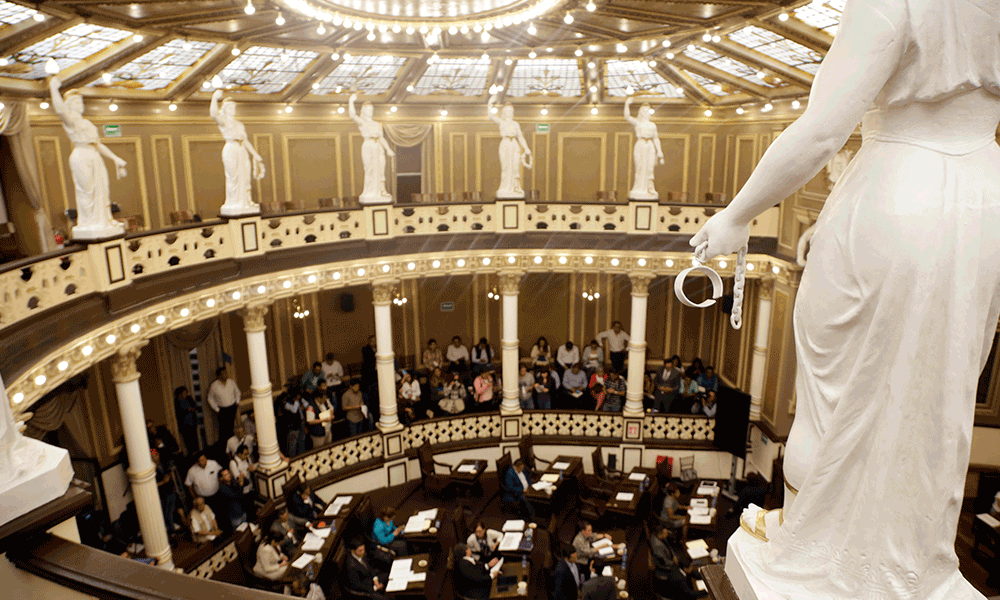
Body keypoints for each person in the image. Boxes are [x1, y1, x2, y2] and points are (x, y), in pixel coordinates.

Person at [690, 1, 1000, 596]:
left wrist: (736, 217)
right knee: (938, 393)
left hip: (897, 196)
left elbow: (823, 130)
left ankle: (814, 538)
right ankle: (905, 548)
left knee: (836, 387)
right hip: (982, 204)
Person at [47, 75, 128, 239]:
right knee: (87, 192)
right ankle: (90, 222)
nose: (80, 105)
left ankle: (103, 219)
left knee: (102, 190)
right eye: (77, 102)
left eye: (81, 102)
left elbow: (98, 144)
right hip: (81, 156)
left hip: (94, 156)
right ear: (70, 105)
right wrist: (53, 88)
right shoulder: (71, 121)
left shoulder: (88, 123)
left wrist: (115, 158)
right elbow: (60, 110)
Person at [210, 88, 265, 215]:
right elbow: (213, 114)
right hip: (231, 149)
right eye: (230, 108)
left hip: (242, 150)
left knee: (245, 177)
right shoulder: (223, 121)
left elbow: (245, 141)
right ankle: (234, 202)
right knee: (233, 177)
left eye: (234, 107)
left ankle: (246, 201)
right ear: (225, 109)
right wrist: (214, 98)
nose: (233, 110)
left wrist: (256, 155)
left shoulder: (239, 124)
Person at [349, 93, 394, 204]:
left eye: (371, 109)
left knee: (380, 169)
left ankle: (381, 190)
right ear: (364, 111)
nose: (370, 111)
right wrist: (351, 101)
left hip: (378, 147)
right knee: (370, 170)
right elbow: (352, 115)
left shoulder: (377, 124)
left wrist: (388, 149)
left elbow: (381, 138)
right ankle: (370, 192)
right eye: (368, 109)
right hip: (368, 146)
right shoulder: (362, 122)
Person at [487, 94, 533, 199]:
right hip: (505, 144)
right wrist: (490, 103)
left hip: (514, 145)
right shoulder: (501, 122)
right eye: (507, 111)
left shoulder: (515, 124)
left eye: (511, 111)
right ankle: (505, 188)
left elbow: (520, 137)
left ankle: (515, 187)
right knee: (506, 167)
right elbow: (491, 115)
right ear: (504, 112)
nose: (510, 113)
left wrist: (526, 148)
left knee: (515, 167)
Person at [624, 96, 665, 200]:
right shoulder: (638, 122)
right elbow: (627, 116)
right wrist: (627, 104)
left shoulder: (652, 125)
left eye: (647, 111)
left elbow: (656, 138)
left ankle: (649, 188)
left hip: (650, 146)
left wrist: (660, 151)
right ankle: (638, 188)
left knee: (649, 168)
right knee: (640, 168)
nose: (646, 113)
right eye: (644, 111)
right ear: (641, 112)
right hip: (640, 145)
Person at [650, 525, 703, 600]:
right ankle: (692, 593)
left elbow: (669, 547)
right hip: (665, 568)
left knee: (685, 562)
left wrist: (674, 556)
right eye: (665, 533)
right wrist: (677, 564)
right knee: (680, 578)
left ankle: (698, 575)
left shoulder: (659, 537)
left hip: (670, 560)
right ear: (660, 534)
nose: (667, 534)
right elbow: (665, 562)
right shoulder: (657, 546)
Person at [208, 367, 241, 443]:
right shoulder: (214, 385)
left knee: (231, 427)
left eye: (226, 373)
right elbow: (210, 398)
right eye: (224, 373)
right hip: (222, 410)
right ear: (219, 376)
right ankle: (225, 445)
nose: (226, 374)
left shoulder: (231, 382)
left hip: (232, 407)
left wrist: (237, 401)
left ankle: (232, 444)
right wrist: (216, 409)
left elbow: (237, 392)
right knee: (223, 429)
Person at [151, 450, 180, 532]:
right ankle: (172, 531)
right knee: (167, 513)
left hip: (171, 490)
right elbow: (152, 486)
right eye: (152, 457)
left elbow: (170, 472)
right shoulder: (151, 469)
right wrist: (163, 482)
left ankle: (173, 527)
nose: (154, 458)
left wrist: (170, 475)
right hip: (162, 494)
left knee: (172, 510)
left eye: (155, 455)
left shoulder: (164, 463)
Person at [173, 386, 200, 455]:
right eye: (184, 392)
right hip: (184, 425)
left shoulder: (189, 398)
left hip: (192, 423)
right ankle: (192, 455)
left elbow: (195, 406)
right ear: (180, 393)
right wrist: (187, 410)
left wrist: (193, 408)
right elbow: (178, 413)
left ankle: (198, 454)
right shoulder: (177, 401)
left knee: (195, 440)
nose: (186, 394)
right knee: (188, 442)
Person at [282, 388, 307, 457]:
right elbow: (294, 410)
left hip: (301, 424)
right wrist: (296, 401)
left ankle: (301, 456)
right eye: (298, 395)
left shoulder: (299, 400)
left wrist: (302, 404)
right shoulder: (287, 403)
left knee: (301, 442)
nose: (299, 396)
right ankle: (293, 459)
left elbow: (306, 404)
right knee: (293, 445)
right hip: (293, 427)